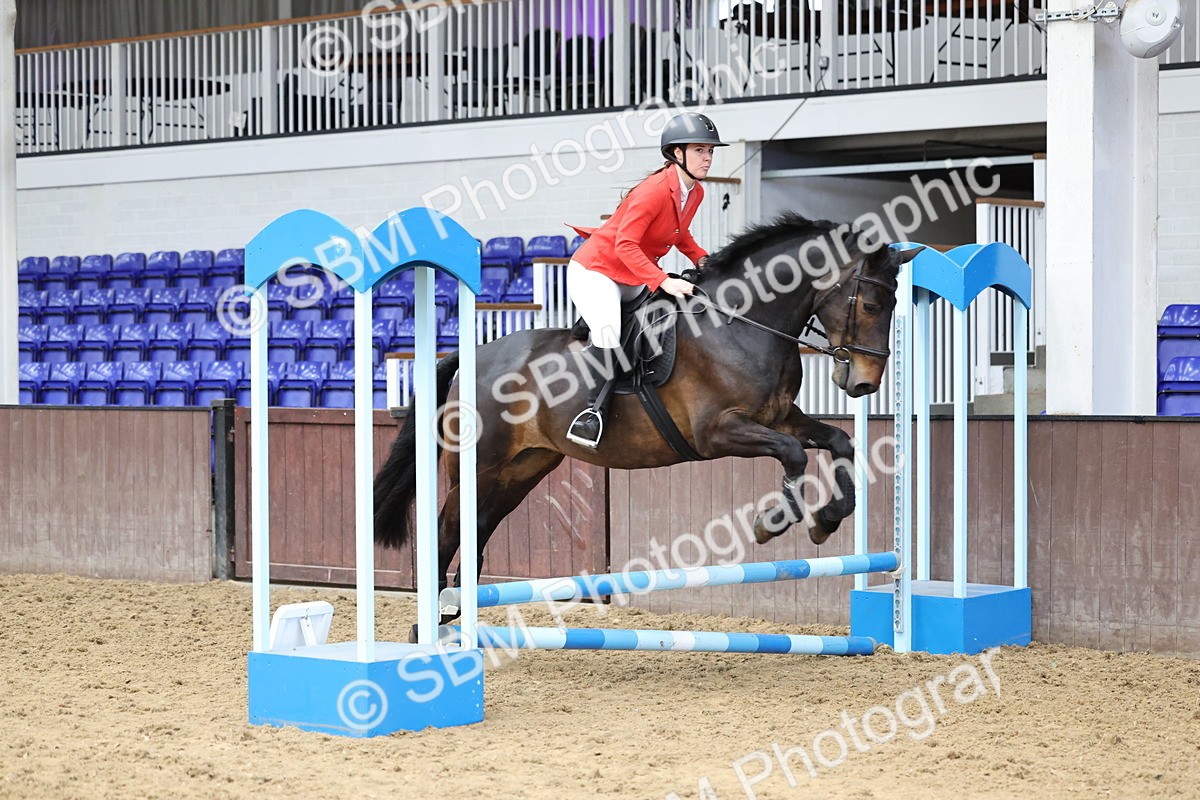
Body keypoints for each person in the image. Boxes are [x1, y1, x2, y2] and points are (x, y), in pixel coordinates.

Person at [563, 111, 728, 449]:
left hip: (632, 273)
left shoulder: (694, 193)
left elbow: (680, 237)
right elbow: (624, 243)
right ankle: (590, 412)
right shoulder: (653, 191)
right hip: (597, 270)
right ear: (677, 154)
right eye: (700, 150)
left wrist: (706, 261)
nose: (708, 157)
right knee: (609, 331)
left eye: (710, 151)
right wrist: (662, 280)